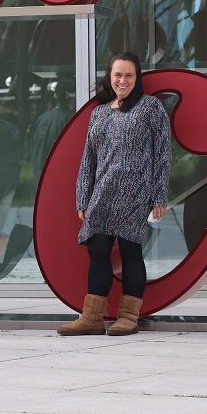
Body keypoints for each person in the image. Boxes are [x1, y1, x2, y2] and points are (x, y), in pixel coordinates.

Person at [58, 51, 171, 337]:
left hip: (136, 193)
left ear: (137, 77)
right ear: (110, 76)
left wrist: (159, 196)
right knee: (98, 251)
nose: (123, 80)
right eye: (118, 74)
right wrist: (83, 197)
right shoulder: (98, 112)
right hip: (103, 192)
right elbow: (89, 158)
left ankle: (128, 318)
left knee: (131, 251)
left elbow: (163, 154)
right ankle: (92, 319)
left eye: (129, 75)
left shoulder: (150, 108)